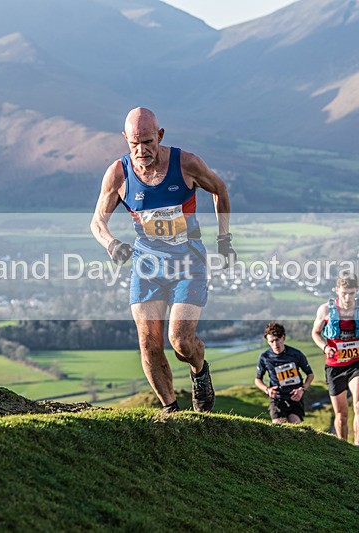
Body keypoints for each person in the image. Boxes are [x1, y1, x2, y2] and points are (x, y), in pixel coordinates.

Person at [90, 107, 234, 413]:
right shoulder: (118, 173)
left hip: (188, 262)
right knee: (149, 343)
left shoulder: (186, 164)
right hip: (147, 265)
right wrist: (111, 244)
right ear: (125, 140)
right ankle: (171, 409)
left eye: (148, 142)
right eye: (134, 144)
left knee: (180, 341)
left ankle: (199, 371)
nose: (142, 150)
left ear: (161, 135)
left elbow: (219, 188)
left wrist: (224, 239)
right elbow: (97, 222)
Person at [312, 272, 359, 446]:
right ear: (337, 290)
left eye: (351, 293)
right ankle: (343, 448)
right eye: (344, 292)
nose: (347, 297)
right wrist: (325, 346)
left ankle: (358, 448)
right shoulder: (325, 310)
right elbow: (315, 333)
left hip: (357, 363)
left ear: (357, 291)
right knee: (341, 415)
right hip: (334, 366)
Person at [255, 322, 315, 424]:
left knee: (295, 424)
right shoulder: (265, 357)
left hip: (295, 397)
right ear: (268, 342)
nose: (275, 344)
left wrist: (302, 389)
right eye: (271, 341)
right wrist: (267, 390)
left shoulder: (296, 354)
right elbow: (257, 380)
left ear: (283, 337)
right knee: (279, 426)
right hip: (277, 398)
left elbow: (310, 375)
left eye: (277, 340)